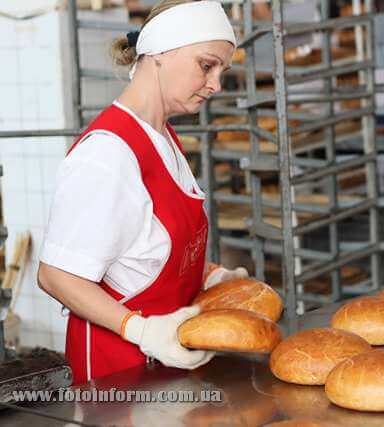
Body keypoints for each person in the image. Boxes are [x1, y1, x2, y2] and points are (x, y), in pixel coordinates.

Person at [37, 0, 248, 385]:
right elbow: (56, 276)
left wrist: (211, 276)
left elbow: (146, 251)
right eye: (207, 65)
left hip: (168, 367)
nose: (216, 84)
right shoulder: (107, 153)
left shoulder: (162, 137)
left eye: (222, 70)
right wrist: (142, 331)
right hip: (116, 375)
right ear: (160, 54)